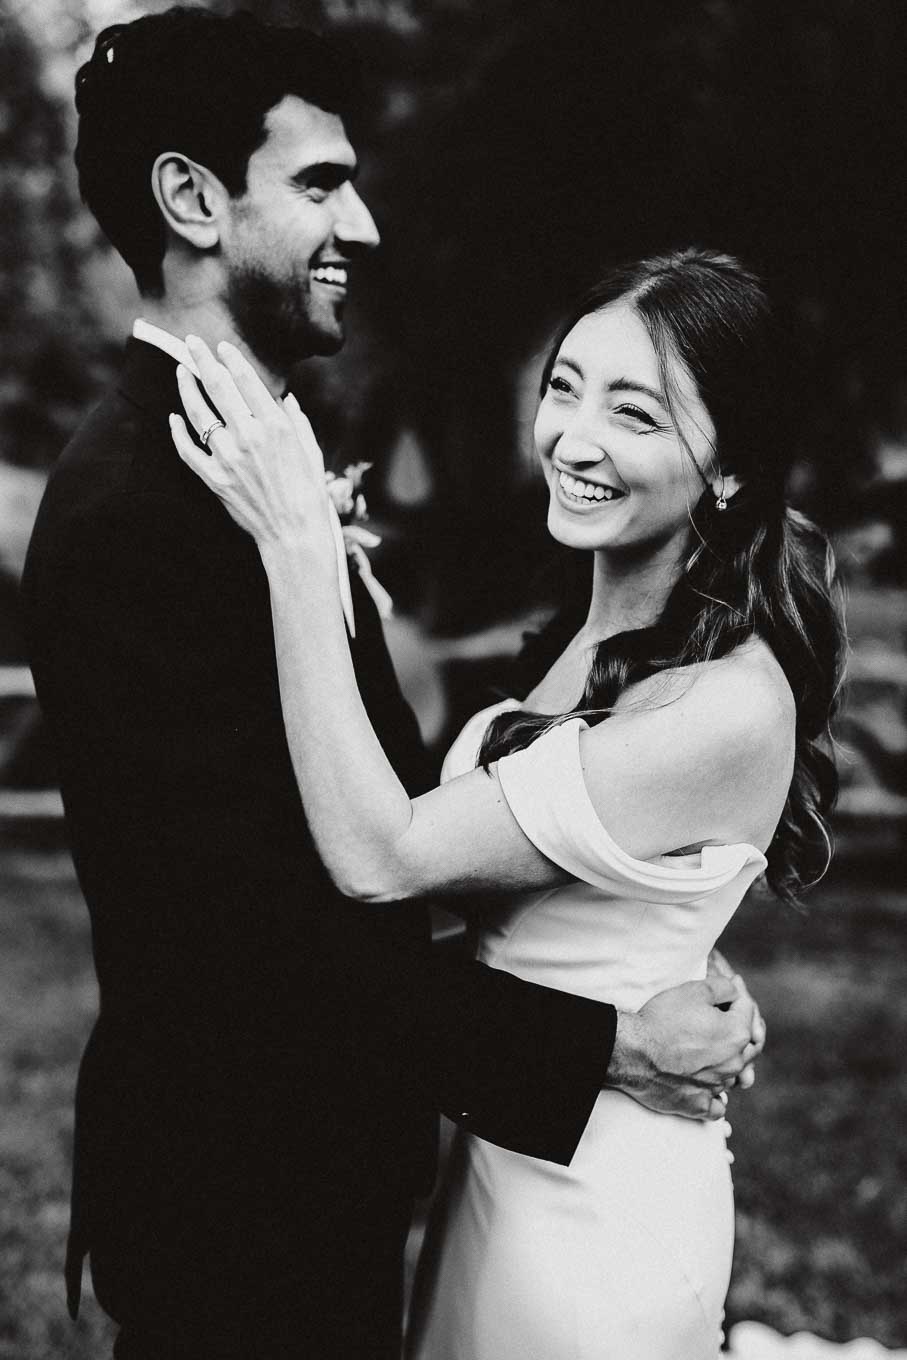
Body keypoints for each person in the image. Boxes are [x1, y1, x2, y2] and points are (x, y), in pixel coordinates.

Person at [21, 11, 763, 1358]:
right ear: (191, 199)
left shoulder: (248, 466)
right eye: (319, 184)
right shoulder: (142, 514)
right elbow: (251, 950)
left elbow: (375, 823)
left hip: (321, 1181)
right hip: (239, 1209)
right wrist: (608, 1045)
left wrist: (630, 925)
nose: (360, 226)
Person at [171, 247, 844, 1358]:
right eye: (564, 387)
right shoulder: (593, 634)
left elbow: (382, 859)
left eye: (634, 412)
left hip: (599, 1220)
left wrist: (293, 545)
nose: (573, 438)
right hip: (511, 1158)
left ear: (730, 467)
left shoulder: (724, 703)